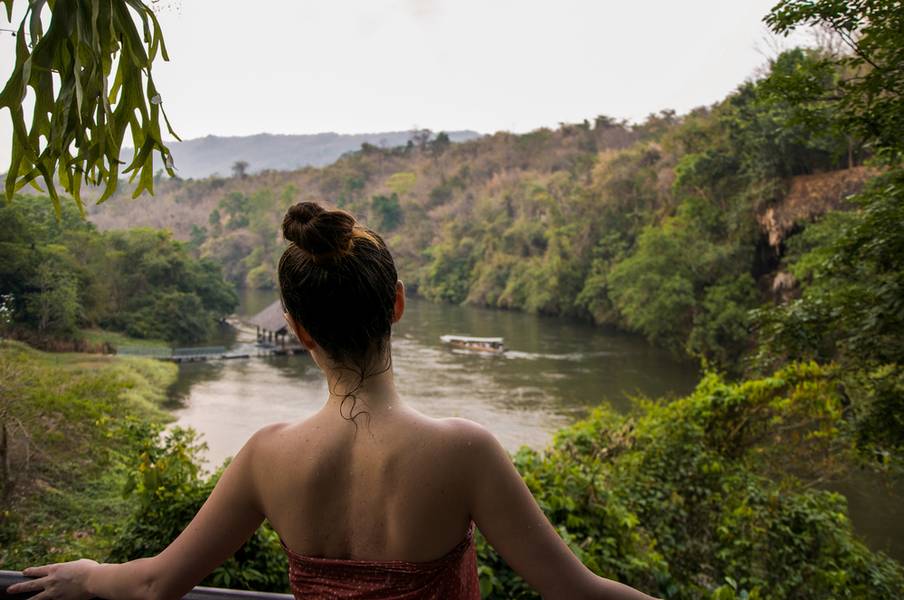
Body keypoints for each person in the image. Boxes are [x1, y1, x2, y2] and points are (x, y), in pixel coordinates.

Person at [7, 202, 657, 600]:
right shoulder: (465, 453)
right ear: (398, 304)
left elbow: (152, 585)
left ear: (297, 329)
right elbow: (578, 592)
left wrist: (88, 575)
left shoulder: (266, 457)